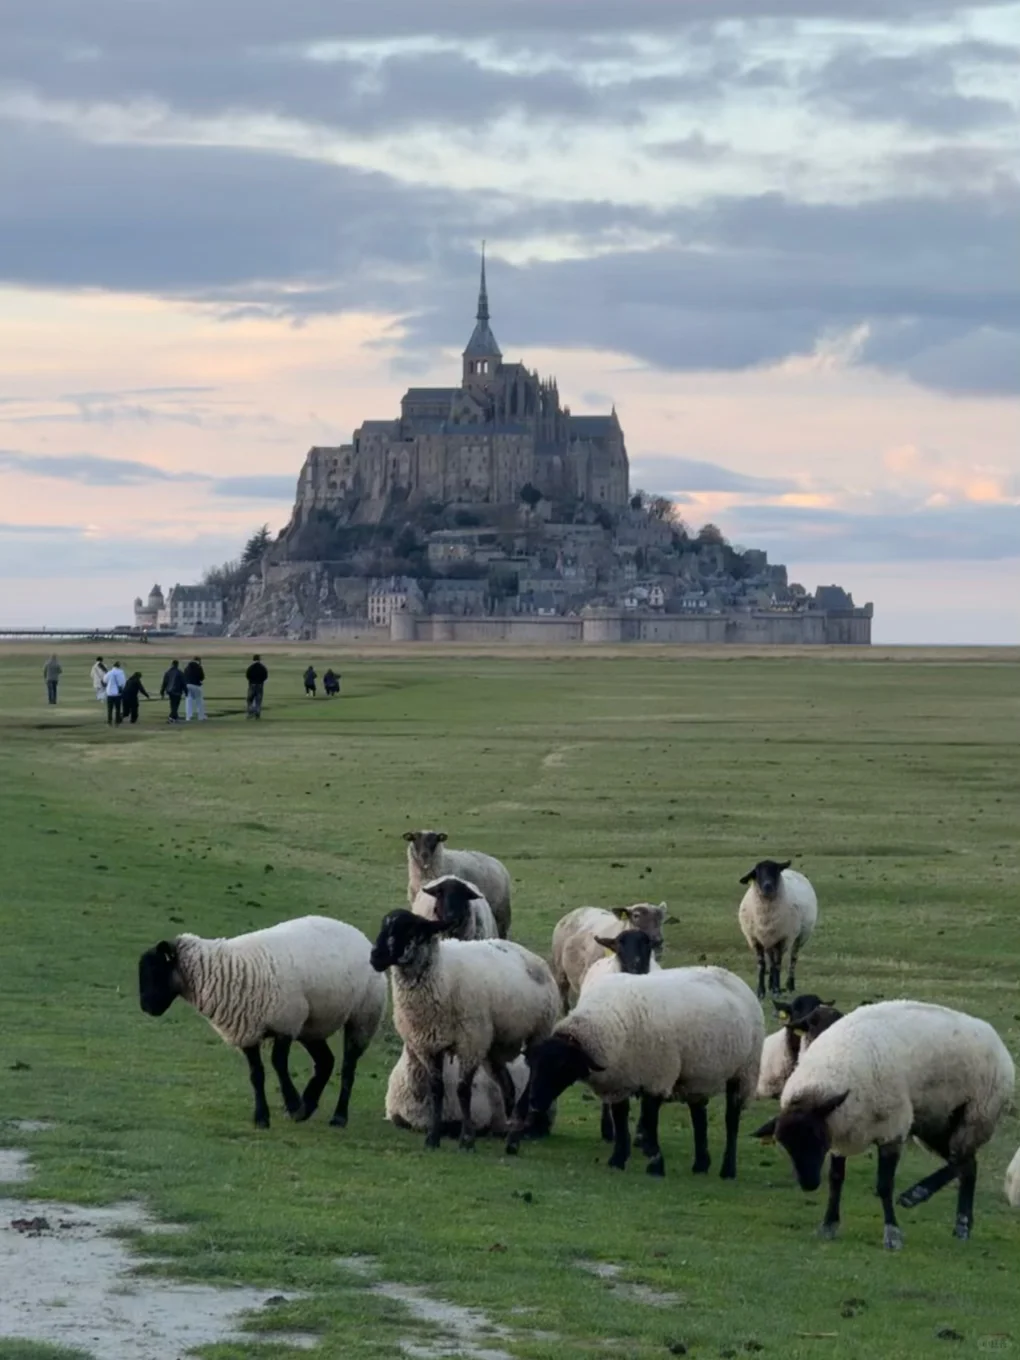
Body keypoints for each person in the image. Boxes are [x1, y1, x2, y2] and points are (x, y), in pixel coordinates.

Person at [160, 659, 187, 724]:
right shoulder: (180, 673)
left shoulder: (168, 672)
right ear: (177, 665)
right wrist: (186, 691)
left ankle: (174, 717)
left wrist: (162, 691)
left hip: (170, 691)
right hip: (178, 691)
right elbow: (183, 683)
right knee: (176, 705)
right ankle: (171, 717)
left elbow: (164, 683)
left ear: (172, 664)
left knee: (173, 704)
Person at [245, 654, 268, 720]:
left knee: (249, 699)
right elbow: (265, 676)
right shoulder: (262, 667)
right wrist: (261, 681)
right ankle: (257, 712)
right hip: (260, 685)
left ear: (253, 659)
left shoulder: (251, 667)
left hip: (252, 684)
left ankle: (250, 711)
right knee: (258, 700)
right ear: (259, 659)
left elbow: (247, 675)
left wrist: (251, 681)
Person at [104, 660, 127, 726]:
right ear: (119, 666)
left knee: (109, 709)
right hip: (117, 693)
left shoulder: (109, 672)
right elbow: (123, 683)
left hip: (110, 693)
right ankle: (117, 721)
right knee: (118, 709)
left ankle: (109, 721)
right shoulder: (121, 672)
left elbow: (104, 680)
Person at [183, 656, 206, 721]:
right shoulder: (199, 667)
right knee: (199, 701)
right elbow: (202, 677)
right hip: (196, 686)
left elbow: (184, 676)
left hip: (187, 685)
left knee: (188, 701)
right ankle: (201, 716)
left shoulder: (187, 668)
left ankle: (188, 717)